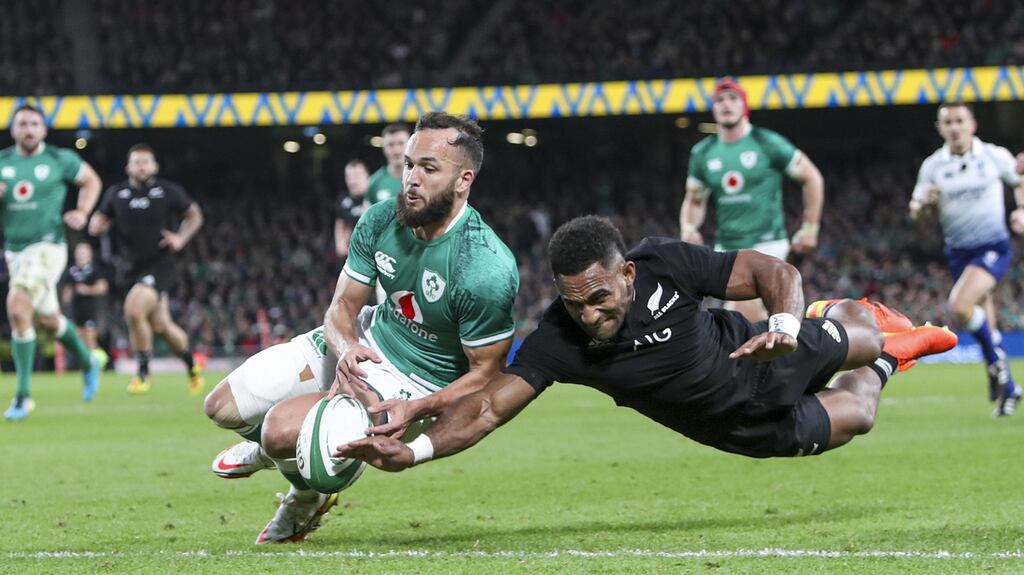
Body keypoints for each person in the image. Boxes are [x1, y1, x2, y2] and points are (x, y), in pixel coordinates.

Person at [336, 215, 957, 475]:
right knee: (860, 415)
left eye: (599, 296)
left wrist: (786, 325)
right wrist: (414, 452)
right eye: (574, 301)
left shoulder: (664, 263)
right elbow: (491, 409)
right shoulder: (559, 340)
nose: (589, 313)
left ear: (626, 274)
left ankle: (848, 318)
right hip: (731, 425)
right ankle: (887, 358)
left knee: (863, 328)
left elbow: (773, 273)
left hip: (765, 347)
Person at [202, 112, 519, 543]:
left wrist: (419, 410)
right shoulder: (379, 219)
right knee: (220, 407)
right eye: (409, 164)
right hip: (366, 340)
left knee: (280, 433)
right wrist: (347, 348)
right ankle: (286, 454)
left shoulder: (485, 267)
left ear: (463, 180)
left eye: (429, 168)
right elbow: (341, 307)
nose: (411, 179)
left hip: (414, 381)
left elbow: (485, 374)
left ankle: (303, 495)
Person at [909, 102, 1024, 417]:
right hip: (957, 252)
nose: (955, 127)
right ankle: (1009, 388)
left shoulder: (993, 155)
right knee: (987, 320)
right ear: (940, 128)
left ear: (973, 125)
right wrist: (924, 206)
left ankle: (997, 366)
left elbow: (1019, 178)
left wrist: (1021, 209)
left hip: (993, 247)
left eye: (960, 120)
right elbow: (915, 211)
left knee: (959, 305)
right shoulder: (933, 166)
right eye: (948, 122)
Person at [680, 77, 824, 322]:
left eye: (733, 98)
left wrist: (810, 228)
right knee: (748, 322)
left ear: (744, 105)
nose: (726, 105)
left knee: (742, 315)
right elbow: (694, 199)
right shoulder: (702, 153)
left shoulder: (767, 142)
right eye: (719, 100)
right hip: (726, 251)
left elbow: (812, 177)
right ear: (713, 108)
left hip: (769, 245)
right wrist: (689, 228)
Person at [0, 105, 103, 420]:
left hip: (48, 247)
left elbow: (91, 181)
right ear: (13, 129)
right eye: (23, 124)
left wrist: (83, 212)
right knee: (46, 319)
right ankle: (87, 361)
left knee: (18, 308)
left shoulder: (59, 159)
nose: (29, 129)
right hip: (15, 251)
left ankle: (23, 396)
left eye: (34, 123)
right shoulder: (3, 161)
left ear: (43, 130)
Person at [87, 144, 205, 395]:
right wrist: (97, 226)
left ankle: (142, 373)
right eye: (136, 162)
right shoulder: (115, 194)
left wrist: (181, 238)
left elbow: (194, 215)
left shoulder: (168, 191)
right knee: (161, 326)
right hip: (130, 268)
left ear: (155, 166)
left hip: (159, 265)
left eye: (146, 162)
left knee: (133, 309)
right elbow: (101, 221)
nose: (141, 166)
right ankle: (191, 365)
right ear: (128, 167)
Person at [60, 242, 109, 357]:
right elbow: (67, 292)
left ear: (90, 254)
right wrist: (65, 302)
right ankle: (86, 365)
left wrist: (87, 290)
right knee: (79, 339)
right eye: (79, 252)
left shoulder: (95, 269)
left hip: (92, 309)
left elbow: (103, 288)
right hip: (76, 310)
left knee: (90, 339)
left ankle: (98, 362)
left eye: (84, 252)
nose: (81, 254)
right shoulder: (71, 270)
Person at [334, 158, 370, 260]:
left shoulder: (375, 197)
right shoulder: (343, 200)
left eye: (356, 176)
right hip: (355, 256)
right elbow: (340, 221)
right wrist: (339, 243)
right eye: (349, 177)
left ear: (367, 175)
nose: (352, 181)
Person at [366, 124, 410, 205]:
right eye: (391, 144)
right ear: (384, 148)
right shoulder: (374, 183)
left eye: (401, 143)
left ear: (410, 145)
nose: (396, 150)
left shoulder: (421, 178)